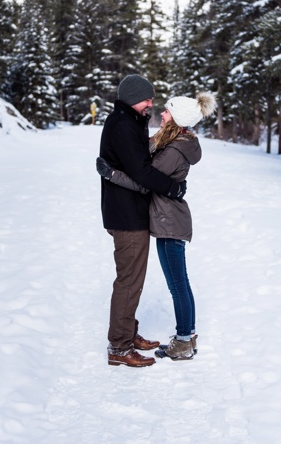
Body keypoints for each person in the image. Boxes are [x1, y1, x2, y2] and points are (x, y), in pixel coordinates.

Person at [98, 92, 215, 361]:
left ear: (177, 119)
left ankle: (184, 340)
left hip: (169, 222)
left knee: (178, 284)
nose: (161, 113)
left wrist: (111, 174)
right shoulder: (173, 141)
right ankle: (189, 336)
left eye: (167, 111)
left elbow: (144, 180)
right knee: (179, 282)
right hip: (167, 219)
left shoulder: (174, 150)